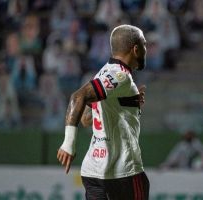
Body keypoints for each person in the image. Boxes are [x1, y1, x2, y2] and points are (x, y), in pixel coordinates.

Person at [57, 24, 150, 200]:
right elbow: (77, 97)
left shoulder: (103, 72)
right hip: (122, 171)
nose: (147, 49)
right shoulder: (120, 75)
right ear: (136, 49)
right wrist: (68, 143)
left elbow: (86, 119)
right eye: (144, 44)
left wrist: (127, 104)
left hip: (93, 172)